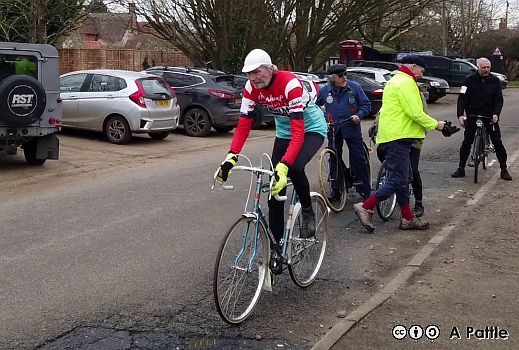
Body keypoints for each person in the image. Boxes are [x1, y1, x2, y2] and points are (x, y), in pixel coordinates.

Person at [215, 49, 327, 247]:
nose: (253, 78)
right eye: (249, 74)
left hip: (310, 129)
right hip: (284, 133)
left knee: (294, 167)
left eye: (257, 72)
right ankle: (276, 247)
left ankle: (308, 211)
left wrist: (284, 165)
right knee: (275, 191)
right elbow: (243, 125)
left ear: (270, 68)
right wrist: (231, 157)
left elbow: (298, 132)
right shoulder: (251, 88)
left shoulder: (290, 84)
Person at [353, 55, 446, 232]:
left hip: (393, 136)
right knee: (397, 180)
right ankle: (366, 207)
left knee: (403, 179)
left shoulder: (394, 81)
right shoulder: (406, 83)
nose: (422, 74)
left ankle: (408, 218)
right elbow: (415, 112)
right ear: (413, 66)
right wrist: (438, 125)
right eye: (421, 70)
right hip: (398, 138)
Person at [315, 64, 372, 201]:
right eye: (341, 76)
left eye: (345, 74)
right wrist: (323, 119)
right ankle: (336, 189)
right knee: (334, 158)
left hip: (351, 127)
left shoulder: (354, 87)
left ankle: (365, 190)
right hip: (334, 129)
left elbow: (366, 105)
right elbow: (315, 107)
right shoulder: (325, 90)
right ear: (332, 78)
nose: (344, 78)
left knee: (358, 158)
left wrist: (359, 115)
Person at [451, 57, 511, 181]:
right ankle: (461, 168)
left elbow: (499, 99)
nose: (486, 70)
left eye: (488, 67)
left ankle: (504, 169)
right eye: (483, 67)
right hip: (472, 114)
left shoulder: (495, 81)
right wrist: (460, 115)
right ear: (478, 67)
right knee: (467, 142)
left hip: (489, 116)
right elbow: (462, 98)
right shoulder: (468, 80)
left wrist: (496, 114)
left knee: (497, 142)